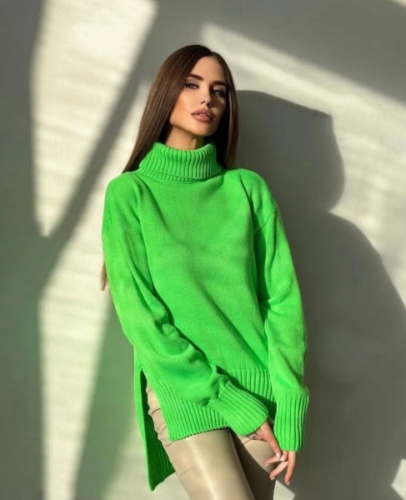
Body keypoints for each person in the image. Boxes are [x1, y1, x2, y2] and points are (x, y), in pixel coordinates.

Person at [100, 44, 310, 500]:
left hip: (259, 388)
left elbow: (282, 302)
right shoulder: (130, 194)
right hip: (185, 388)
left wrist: (290, 401)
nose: (206, 99)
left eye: (219, 91)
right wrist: (222, 396)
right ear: (166, 94)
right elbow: (142, 319)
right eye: (192, 85)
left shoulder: (246, 189)